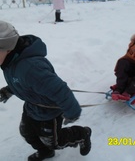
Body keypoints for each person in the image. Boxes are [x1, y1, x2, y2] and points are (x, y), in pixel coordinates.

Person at [0, 20, 92, 161]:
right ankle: (45, 152)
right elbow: (19, 82)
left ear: (8, 47)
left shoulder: (32, 68)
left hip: (49, 111)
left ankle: (82, 134)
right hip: (31, 106)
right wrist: (8, 91)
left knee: (54, 142)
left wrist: (72, 112)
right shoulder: (9, 62)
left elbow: (60, 91)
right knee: (27, 132)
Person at [111, 34, 135, 102]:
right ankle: (119, 88)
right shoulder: (132, 44)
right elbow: (128, 57)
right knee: (123, 62)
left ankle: (129, 92)